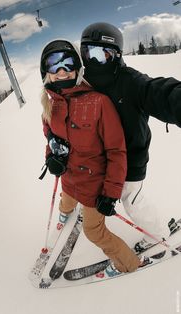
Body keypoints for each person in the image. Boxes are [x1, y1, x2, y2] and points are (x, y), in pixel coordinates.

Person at [39, 38, 145, 275]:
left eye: (67, 63)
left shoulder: (98, 102)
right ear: (45, 71)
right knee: (65, 202)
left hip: (93, 187)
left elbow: (116, 151)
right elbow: (50, 138)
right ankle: (65, 215)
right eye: (53, 65)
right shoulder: (49, 105)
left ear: (77, 67)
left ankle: (129, 263)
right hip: (68, 180)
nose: (61, 70)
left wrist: (110, 194)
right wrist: (51, 157)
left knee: (93, 231)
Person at [80, 22, 181, 252]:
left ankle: (158, 235)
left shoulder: (131, 82)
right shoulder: (86, 83)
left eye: (101, 54)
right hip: (103, 159)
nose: (94, 61)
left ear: (115, 55)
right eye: (88, 53)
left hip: (131, 157)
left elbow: (159, 92)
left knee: (132, 201)